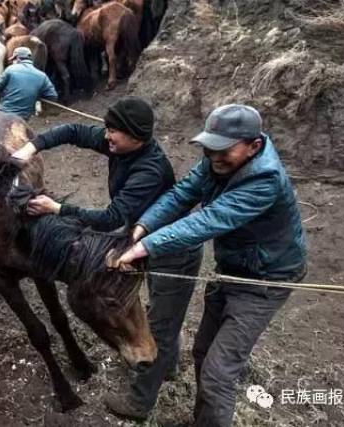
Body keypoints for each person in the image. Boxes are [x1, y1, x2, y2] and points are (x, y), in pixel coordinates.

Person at [107, 104, 307, 426]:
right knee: (202, 351)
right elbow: (182, 194)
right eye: (208, 147)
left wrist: (145, 246)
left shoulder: (265, 180)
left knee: (218, 374)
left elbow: (207, 220)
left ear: (254, 146)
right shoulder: (219, 160)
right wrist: (142, 227)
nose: (213, 156)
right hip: (232, 268)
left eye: (222, 149)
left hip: (265, 281)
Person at [11, 96, 203, 420]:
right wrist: (31, 148)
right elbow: (73, 131)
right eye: (107, 128)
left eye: (114, 132)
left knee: (161, 322)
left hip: (174, 250)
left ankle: (140, 402)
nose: (106, 136)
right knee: (156, 308)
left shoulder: (149, 170)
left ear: (137, 138)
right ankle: (165, 366)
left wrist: (57, 209)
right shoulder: (120, 145)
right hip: (144, 239)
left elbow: (110, 217)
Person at [0, 46, 57, 120]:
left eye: (13, 60)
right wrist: (36, 96)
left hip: (5, 114)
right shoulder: (42, 76)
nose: (12, 62)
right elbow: (52, 96)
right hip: (23, 118)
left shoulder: (10, 70)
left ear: (18, 58)